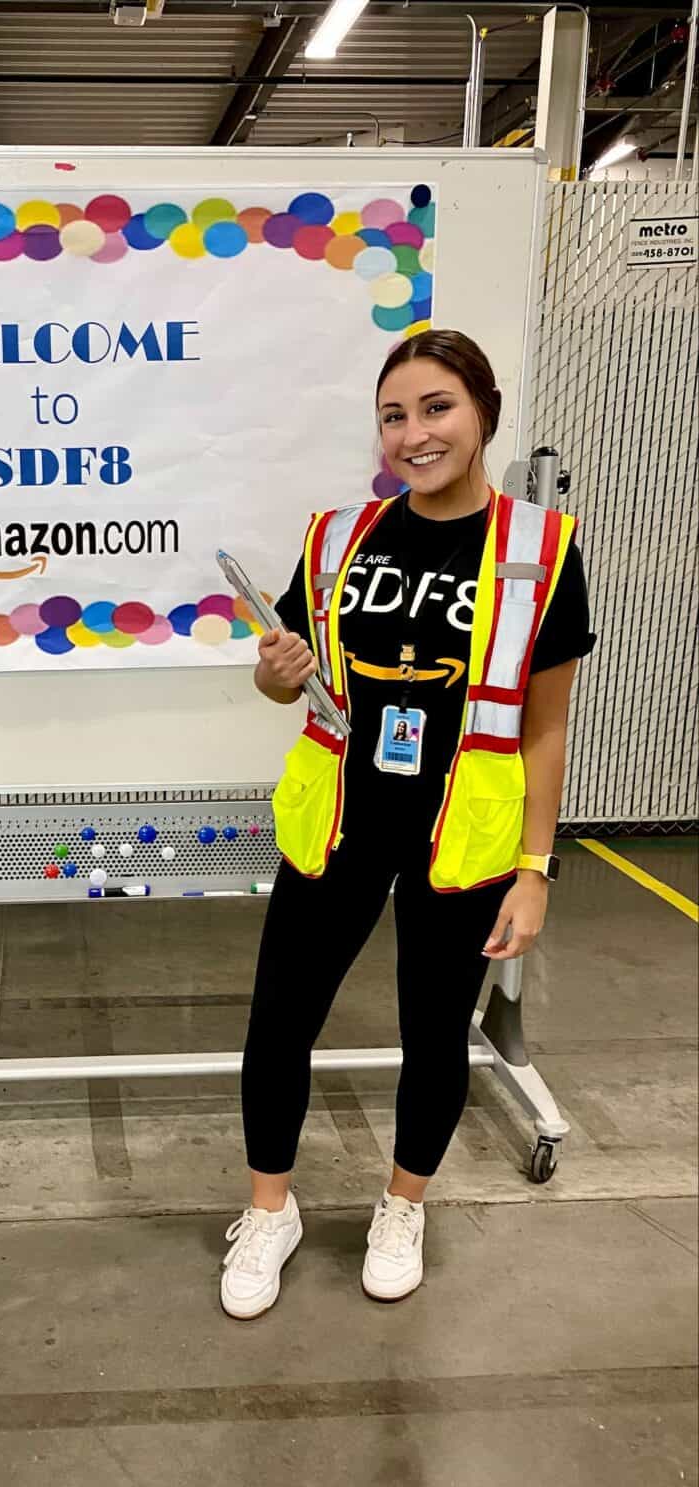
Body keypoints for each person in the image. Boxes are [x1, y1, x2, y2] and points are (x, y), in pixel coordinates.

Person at [220, 329, 595, 1319]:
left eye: (437, 408)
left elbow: (546, 729)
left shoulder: (540, 551)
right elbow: (280, 677)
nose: (415, 432)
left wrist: (534, 869)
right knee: (279, 1022)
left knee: (436, 1036)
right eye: (395, 414)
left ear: (483, 414)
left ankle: (402, 1205)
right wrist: (274, 673)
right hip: (340, 822)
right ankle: (270, 1212)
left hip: (460, 836)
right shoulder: (341, 537)